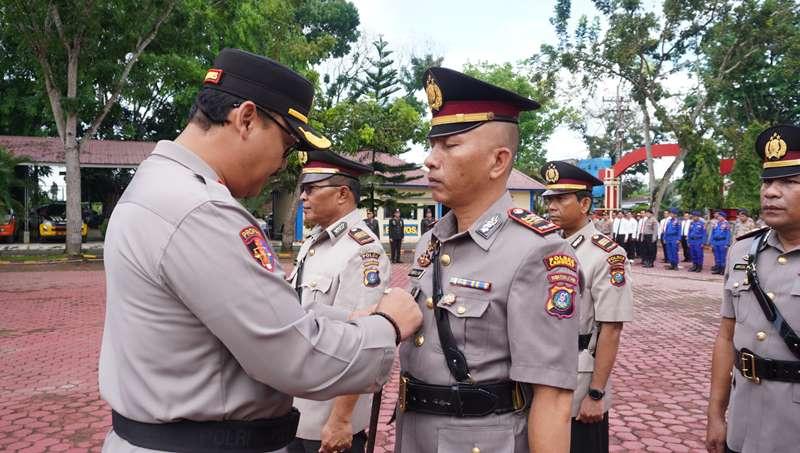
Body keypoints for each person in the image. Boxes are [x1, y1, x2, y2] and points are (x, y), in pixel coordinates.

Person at [98, 48, 423, 453]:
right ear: (247, 118)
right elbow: (295, 357)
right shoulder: (201, 210)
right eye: (286, 145)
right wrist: (387, 325)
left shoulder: (158, 185)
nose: (282, 164)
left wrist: (347, 318)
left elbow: (249, 314)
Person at [396, 67, 581, 453]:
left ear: (498, 161)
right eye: (432, 146)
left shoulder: (537, 251)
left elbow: (553, 399)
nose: (430, 160)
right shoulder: (432, 239)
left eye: (450, 146)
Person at [706, 124, 800, 453]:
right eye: (767, 182)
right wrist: (716, 414)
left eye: (788, 182)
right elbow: (726, 337)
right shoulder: (742, 251)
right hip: (744, 422)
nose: (770, 192)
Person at [287, 150, 388, 453]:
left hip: (327, 418)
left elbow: (360, 343)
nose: (303, 197)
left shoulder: (362, 250)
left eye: (311, 189)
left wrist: (341, 419)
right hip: (298, 405)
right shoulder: (314, 242)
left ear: (342, 194)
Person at [542, 161, 634, 453]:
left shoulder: (606, 255)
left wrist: (596, 393)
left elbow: (612, 328)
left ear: (584, 204)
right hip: (541, 369)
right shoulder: (546, 246)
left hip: (578, 377)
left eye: (561, 199)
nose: (551, 206)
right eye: (549, 199)